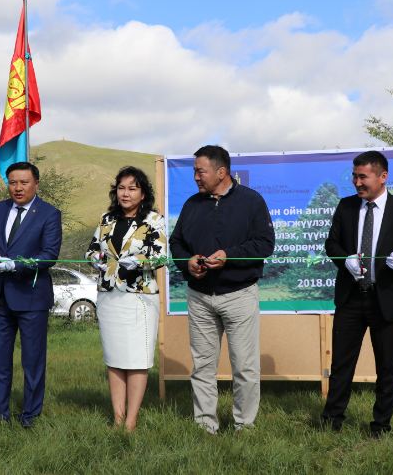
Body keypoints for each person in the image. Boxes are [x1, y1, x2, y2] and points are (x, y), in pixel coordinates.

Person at [169, 145, 275, 433]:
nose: (195, 177)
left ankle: (245, 425)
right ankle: (205, 425)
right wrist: (186, 261)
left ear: (222, 172)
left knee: (245, 367)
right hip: (200, 297)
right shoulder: (192, 204)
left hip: (239, 295)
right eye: (194, 171)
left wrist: (229, 255)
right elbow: (176, 242)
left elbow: (265, 244)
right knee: (202, 366)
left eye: (200, 171)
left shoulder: (252, 202)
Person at [321, 150, 393, 438]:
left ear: (382, 176)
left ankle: (381, 426)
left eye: (362, 176)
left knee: (387, 367)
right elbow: (332, 245)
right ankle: (331, 422)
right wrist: (345, 260)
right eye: (354, 176)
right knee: (341, 364)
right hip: (351, 298)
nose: (357, 182)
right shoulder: (345, 207)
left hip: (386, 300)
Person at [0, 161, 62, 428]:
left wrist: (16, 265)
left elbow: (49, 255)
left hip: (32, 298)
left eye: (24, 182)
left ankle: (30, 416)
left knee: (32, 361)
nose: (18, 187)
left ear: (36, 183)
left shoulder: (49, 213)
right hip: (0, 296)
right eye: (12, 182)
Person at [85, 166, 167, 431]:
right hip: (109, 296)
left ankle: (131, 421)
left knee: (137, 360)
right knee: (115, 358)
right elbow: (92, 250)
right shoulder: (106, 219)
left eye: (132, 188)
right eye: (121, 187)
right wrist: (96, 259)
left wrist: (140, 261)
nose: (126, 193)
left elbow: (163, 255)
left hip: (139, 298)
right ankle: (117, 418)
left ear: (143, 193)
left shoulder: (154, 220)